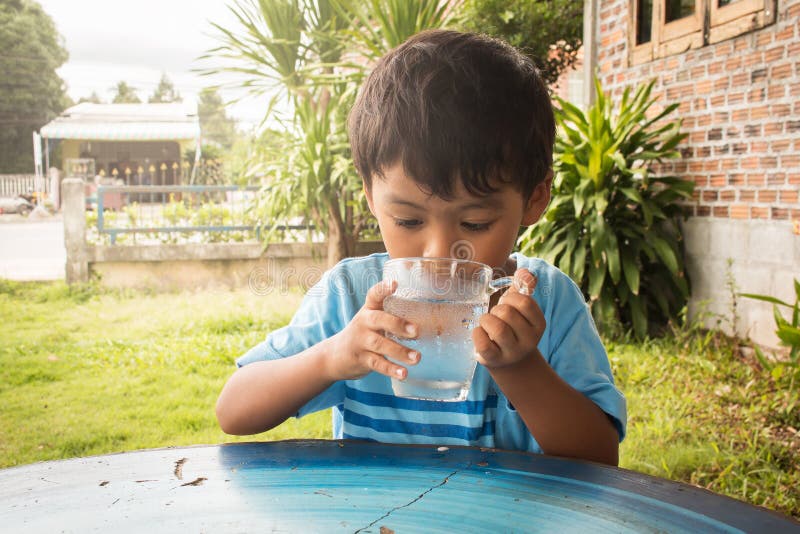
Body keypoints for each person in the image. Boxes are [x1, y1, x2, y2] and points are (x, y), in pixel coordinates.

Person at [216, 29, 626, 465]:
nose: (439, 252)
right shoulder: (352, 298)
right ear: (372, 197)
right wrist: (334, 356)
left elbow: (600, 457)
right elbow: (234, 410)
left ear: (535, 199)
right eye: (409, 220)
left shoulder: (547, 302)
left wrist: (520, 368)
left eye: (475, 222)